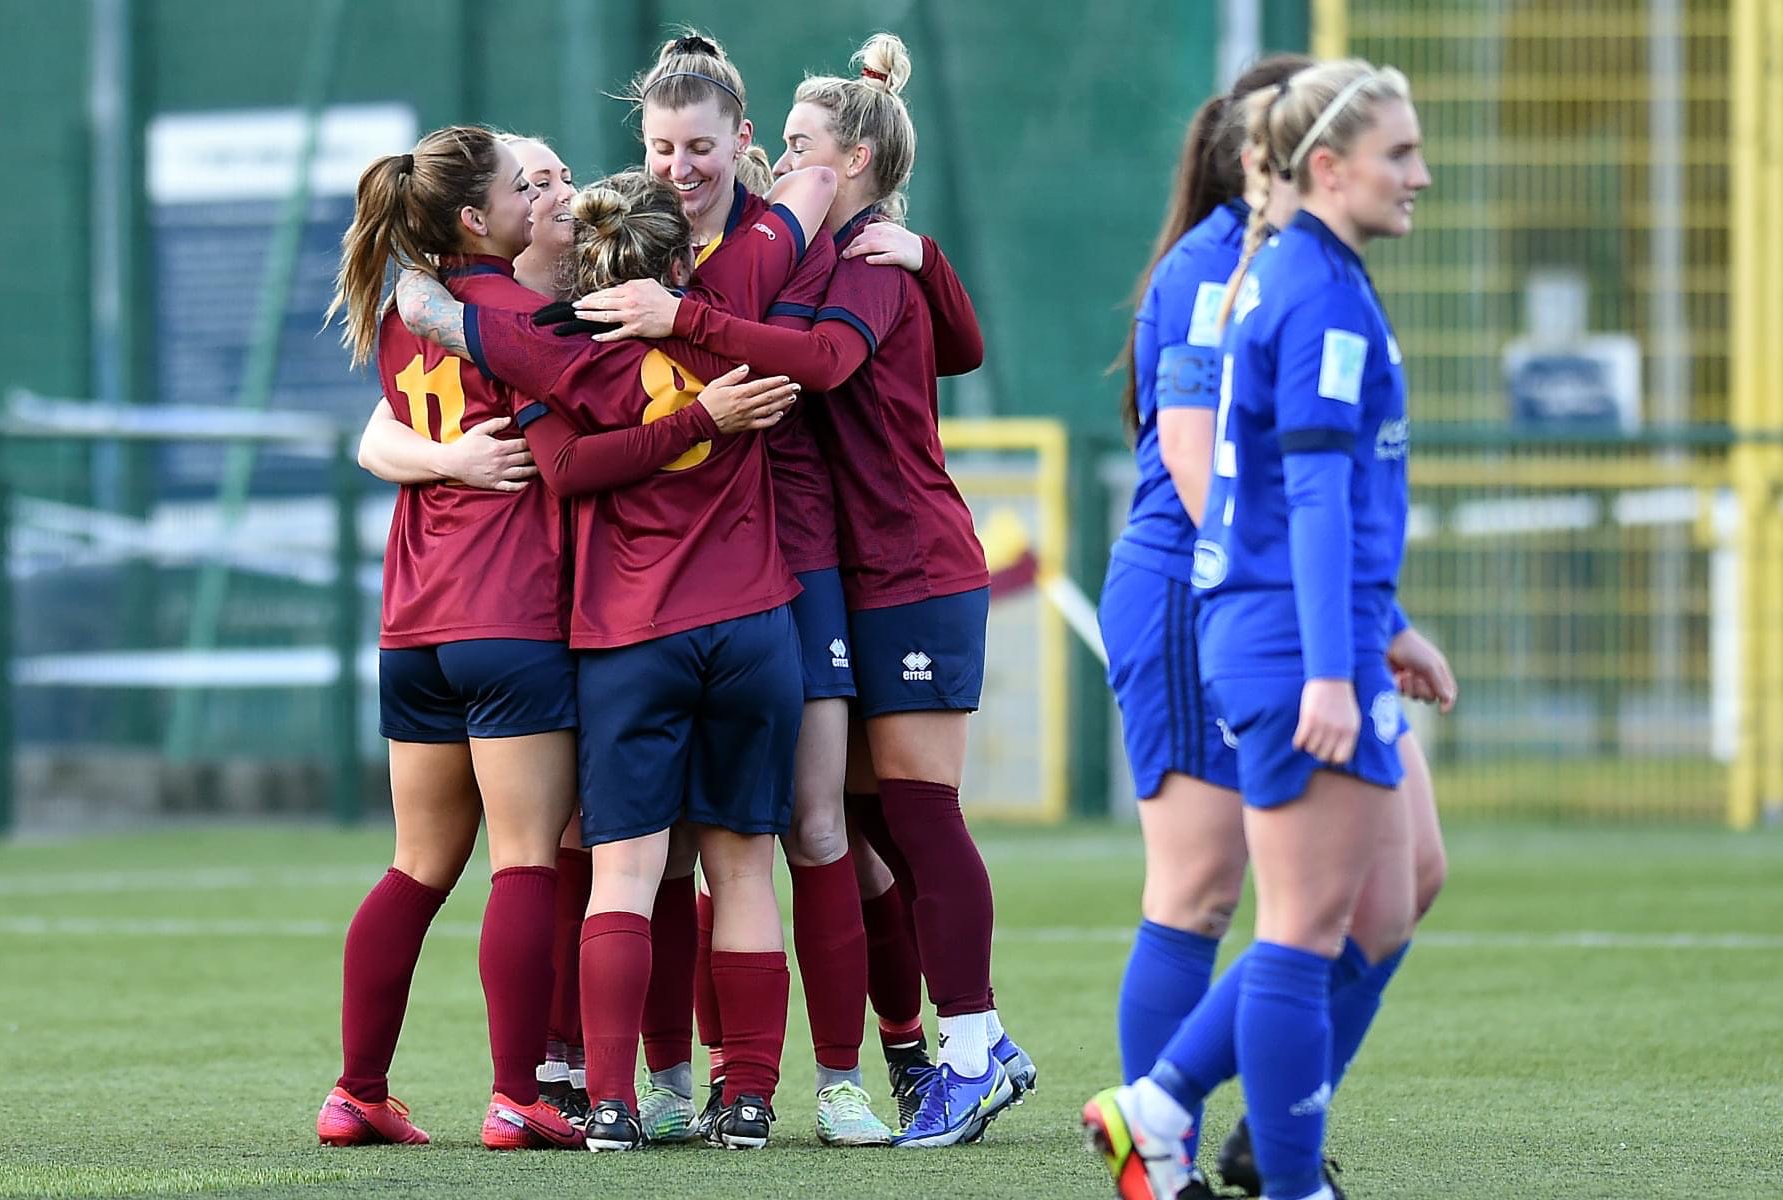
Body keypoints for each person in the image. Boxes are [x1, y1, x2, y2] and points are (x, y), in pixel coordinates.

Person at [569, 32, 1028, 1150]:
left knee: (842, 822)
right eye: (662, 146)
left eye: (795, 143)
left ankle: (902, 1061)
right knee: (808, 826)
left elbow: (828, 361)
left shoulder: (850, 256)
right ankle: (712, 1073)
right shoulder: (682, 240)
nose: (758, 159)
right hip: (771, 579)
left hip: (869, 564)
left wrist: (921, 259)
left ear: (849, 161)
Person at [394, 160, 835, 1153]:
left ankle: (609, 1103)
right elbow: (802, 204)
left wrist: (413, 291)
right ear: (679, 253)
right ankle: (749, 1099)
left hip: (631, 639)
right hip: (755, 626)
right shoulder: (728, 308)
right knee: (745, 871)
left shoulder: (553, 349)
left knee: (623, 876)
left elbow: (557, 461)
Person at [1084, 59, 1436, 1200]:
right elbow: (1228, 473)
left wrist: (1374, 624)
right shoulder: (1263, 276)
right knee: (1233, 901)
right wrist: (1337, 649)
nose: (1421, 175)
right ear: (1286, 158)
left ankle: (1187, 1116)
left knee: (1379, 895)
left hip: (1292, 610)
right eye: (1399, 152)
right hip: (1242, 607)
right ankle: (1198, 1139)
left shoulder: (1297, 270)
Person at [313, 123, 584, 1152]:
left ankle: (357, 1090)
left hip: (413, 624)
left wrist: (438, 461)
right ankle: (519, 1093)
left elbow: (383, 429)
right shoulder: (521, 317)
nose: (538, 198)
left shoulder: (406, 320)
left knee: (416, 864)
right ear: (477, 218)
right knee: (525, 860)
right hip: (510, 616)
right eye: (525, 186)